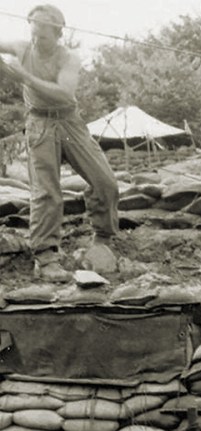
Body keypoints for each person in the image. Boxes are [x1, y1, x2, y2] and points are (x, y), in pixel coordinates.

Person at [0, 5, 119, 283]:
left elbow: (64, 93)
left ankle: (102, 237)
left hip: (69, 122)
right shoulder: (22, 47)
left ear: (57, 33)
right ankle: (46, 256)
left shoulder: (69, 58)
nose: (35, 40)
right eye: (32, 33)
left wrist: (24, 77)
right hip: (39, 124)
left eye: (42, 36)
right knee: (46, 192)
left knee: (106, 182)